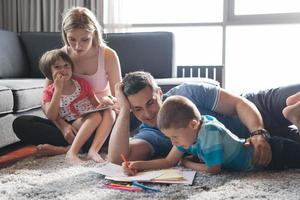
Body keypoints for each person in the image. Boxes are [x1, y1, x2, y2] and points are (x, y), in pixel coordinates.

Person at [108, 71, 300, 167]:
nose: (148, 114)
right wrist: (124, 111)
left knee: (294, 97)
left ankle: (292, 111)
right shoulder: (151, 133)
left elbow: (239, 104)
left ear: (159, 92)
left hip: (260, 109)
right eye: (137, 109)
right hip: (252, 144)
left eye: (150, 103)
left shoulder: (187, 91)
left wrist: (258, 132)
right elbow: (117, 160)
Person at [13, 7, 122, 162]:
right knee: (22, 123)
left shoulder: (108, 55)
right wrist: (63, 126)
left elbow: (118, 94)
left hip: (101, 117)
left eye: (85, 39)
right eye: (72, 39)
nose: (77, 46)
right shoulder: (60, 58)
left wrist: (109, 100)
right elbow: (46, 101)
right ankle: (83, 145)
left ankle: (66, 149)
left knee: (124, 119)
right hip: (70, 120)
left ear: (94, 34)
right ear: (65, 35)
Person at [122, 95, 300, 175]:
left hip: (273, 154)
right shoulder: (187, 135)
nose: (172, 141)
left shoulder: (209, 133)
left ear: (193, 125)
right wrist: (138, 164)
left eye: (174, 137)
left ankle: (294, 115)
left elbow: (213, 169)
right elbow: (168, 161)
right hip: (262, 156)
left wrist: (186, 163)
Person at [39, 49, 112, 164]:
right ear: (49, 72)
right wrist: (58, 90)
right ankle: (72, 152)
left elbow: (97, 105)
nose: (63, 70)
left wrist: (106, 103)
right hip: (75, 123)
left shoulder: (82, 83)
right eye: (57, 67)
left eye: (66, 65)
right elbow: (51, 116)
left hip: (93, 121)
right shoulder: (49, 92)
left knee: (110, 112)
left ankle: (92, 150)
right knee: (95, 116)